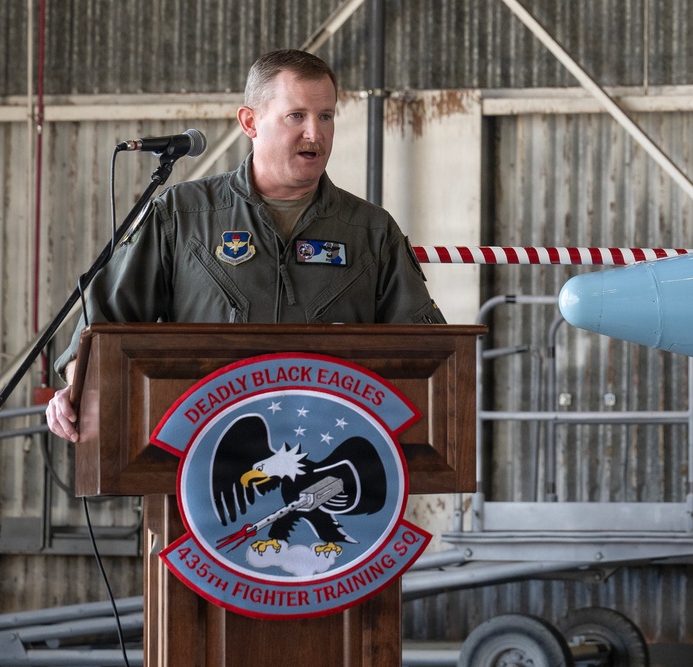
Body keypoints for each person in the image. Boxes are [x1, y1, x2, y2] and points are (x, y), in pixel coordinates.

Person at [46, 49, 445, 441]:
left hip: (329, 452)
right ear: (250, 122)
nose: (315, 133)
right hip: (199, 458)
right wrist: (78, 390)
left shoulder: (370, 230)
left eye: (326, 116)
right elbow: (102, 326)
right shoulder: (184, 216)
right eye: (297, 116)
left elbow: (427, 355)